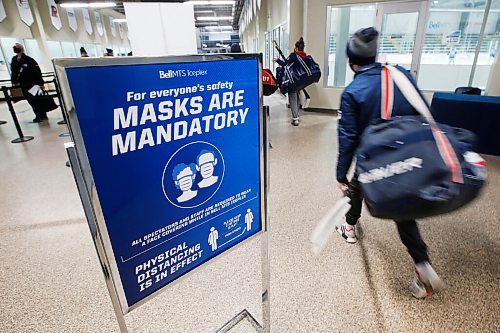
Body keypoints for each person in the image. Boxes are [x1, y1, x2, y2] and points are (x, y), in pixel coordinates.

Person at [335, 27, 444, 299]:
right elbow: (424, 110)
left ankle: (349, 228)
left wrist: (340, 174)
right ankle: (422, 265)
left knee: (355, 187)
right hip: (406, 156)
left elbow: (348, 137)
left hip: (373, 159)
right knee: (404, 214)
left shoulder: (353, 91)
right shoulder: (401, 75)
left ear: (351, 61)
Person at [274, 37, 307, 126]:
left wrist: (277, 60)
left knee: (292, 97)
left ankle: (295, 119)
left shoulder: (293, 55)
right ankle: (297, 115)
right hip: (301, 81)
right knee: (297, 96)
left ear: (296, 48)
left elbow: (285, 64)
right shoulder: (304, 56)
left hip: (293, 80)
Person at [10, 43, 47, 123]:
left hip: (32, 84)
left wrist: (41, 83)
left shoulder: (29, 60)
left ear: (21, 49)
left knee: (36, 100)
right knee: (30, 100)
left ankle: (41, 115)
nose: (15, 49)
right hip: (22, 85)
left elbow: (37, 72)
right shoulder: (14, 60)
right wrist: (13, 82)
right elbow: (13, 72)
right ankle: (39, 114)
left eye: (16, 48)